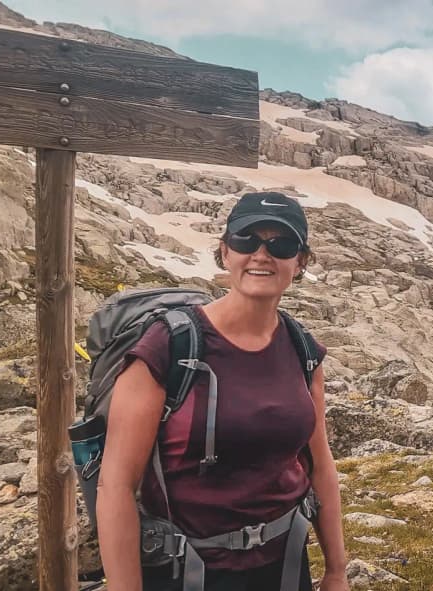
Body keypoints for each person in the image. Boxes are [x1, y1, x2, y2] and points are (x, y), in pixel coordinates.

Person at [97, 192, 348, 591]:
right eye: (246, 240)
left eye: (281, 244)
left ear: (300, 263)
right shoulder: (168, 347)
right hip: (186, 572)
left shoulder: (303, 349)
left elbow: (319, 464)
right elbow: (117, 485)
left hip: (285, 566)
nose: (261, 255)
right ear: (225, 252)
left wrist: (336, 570)